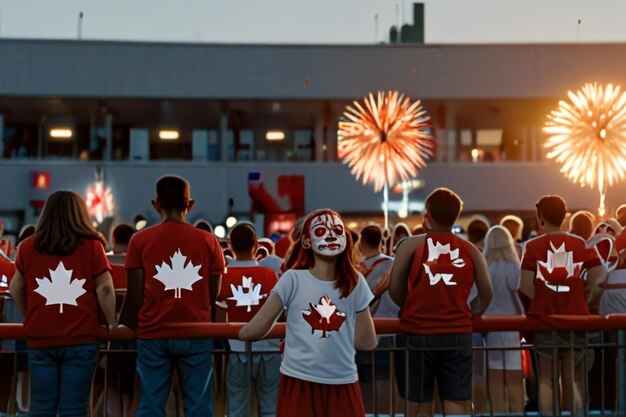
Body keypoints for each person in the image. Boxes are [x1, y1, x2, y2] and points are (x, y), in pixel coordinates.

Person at [239, 208, 377, 417]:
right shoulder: (355, 281)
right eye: (321, 231)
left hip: (305, 380)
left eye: (336, 230)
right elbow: (366, 341)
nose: (331, 235)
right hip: (333, 380)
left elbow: (255, 328)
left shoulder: (293, 279)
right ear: (306, 241)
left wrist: (229, 331)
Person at [119, 176, 225, 417]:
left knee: (151, 405)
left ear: (156, 204)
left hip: (153, 332)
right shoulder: (208, 241)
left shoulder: (139, 241)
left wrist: (122, 329)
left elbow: (135, 295)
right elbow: (213, 292)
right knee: (199, 406)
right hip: (197, 331)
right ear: (190, 204)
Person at [8, 190, 117, 417]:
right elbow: (105, 288)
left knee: (41, 406)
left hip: (41, 338)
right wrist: (112, 324)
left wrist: (32, 313)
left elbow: (15, 287)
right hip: (82, 337)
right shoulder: (92, 247)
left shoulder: (28, 247)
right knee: (75, 408)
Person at [388, 187, 493, 417]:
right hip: (458, 331)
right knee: (456, 400)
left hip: (416, 331)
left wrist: (413, 305)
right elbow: (486, 293)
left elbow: (394, 289)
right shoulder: (471, 250)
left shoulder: (410, 246)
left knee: (418, 402)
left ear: (428, 214)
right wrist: (469, 311)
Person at [519, 195, 606, 416]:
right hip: (576, 319)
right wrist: (586, 298)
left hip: (545, 320)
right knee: (574, 378)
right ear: (564, 216)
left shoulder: (532, 246)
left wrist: (544, 298)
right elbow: (600, 277)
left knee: (547, 379)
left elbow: (525, 286)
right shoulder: (580, 244)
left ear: (540, 218)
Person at [216, 223, 280, 417]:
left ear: (232, 246)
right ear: (256, 246)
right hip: (270, 348)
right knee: (270, 408)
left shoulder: (224, 278)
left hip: (237, 349)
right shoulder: (270, 275)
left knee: (236, 409)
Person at [481, 225, 525, 413]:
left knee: (495, 381)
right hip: (512, 328)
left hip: (490, 328)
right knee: (515, 381)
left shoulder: (486, 267)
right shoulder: (515, 267)